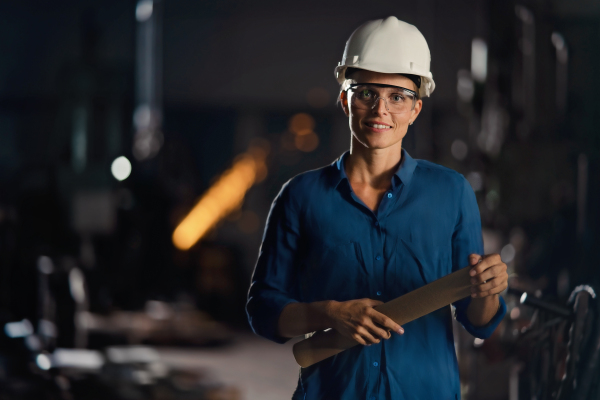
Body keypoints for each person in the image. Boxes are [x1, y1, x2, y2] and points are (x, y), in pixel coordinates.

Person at [246, 16, 508, 400]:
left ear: (415, 109)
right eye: (366, 92)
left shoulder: (451, 193)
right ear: (344, 99)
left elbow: (478, 321)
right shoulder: (300, 196)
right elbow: (264, 312)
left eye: (397, 97)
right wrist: (331, 313)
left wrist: (488, 290)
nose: (380, 110)